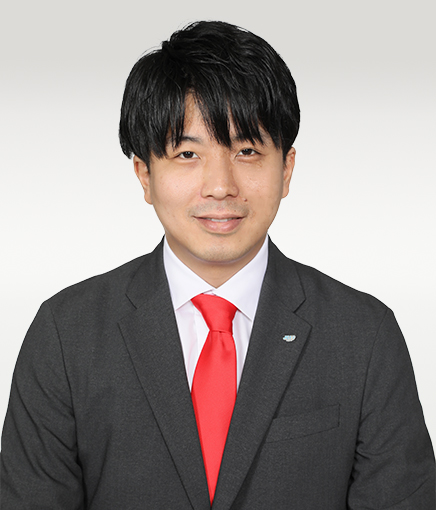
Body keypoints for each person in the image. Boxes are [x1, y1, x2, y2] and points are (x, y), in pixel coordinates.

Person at [1, 20, 434, 510]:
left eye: (247, 151)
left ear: (286, 169)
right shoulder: (66, 333)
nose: (221, 186)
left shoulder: (364, 336)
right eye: (188, 153)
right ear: (144, 174)